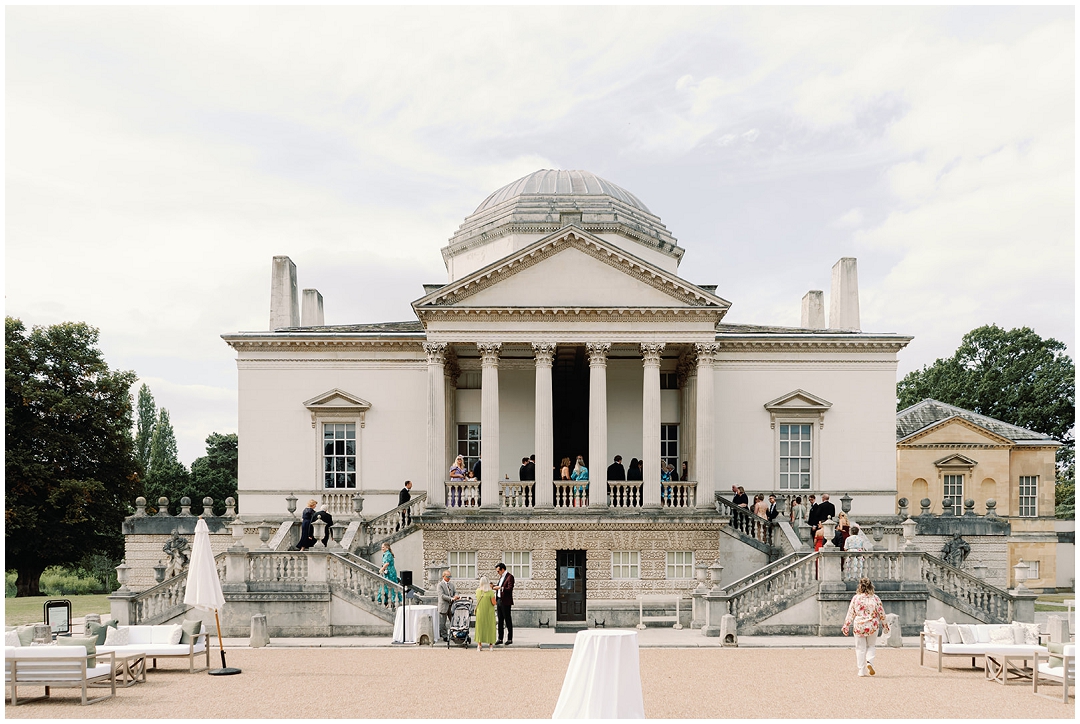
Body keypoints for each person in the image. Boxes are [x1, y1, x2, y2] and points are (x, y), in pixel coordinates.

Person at [842, 577, 890, 677]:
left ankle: (861, 671)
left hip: (859, 625)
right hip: (872, 625)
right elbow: (881, 613)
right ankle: (869, 662)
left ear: (860, 586)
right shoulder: (875, 598)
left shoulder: (856, 598)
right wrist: (885, 626)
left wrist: (846, 625)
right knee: (871, 645)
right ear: (871, 586)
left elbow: (851, 613)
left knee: (860, 648)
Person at [493, 562, 515, 646]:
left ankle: (509, 638)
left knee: (507, 619)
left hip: (505, 601)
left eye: (498, 571)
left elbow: (509, 588)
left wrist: (500, 588)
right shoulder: (501, 577)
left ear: (502, 569)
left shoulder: (510, 577)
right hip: (499, 600)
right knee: (500, 620)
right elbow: (499, 586)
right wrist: (494, 586)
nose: (497, 573)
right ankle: (500, 638)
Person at [474, 577, 497, 651]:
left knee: (479, 628)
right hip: (489, 612)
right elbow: (494, 603)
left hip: (480, 612)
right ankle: (490, 645)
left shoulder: (477, 591)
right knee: (490, 627)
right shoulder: (491, 592)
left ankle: (479, 645)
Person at [437, 569, 459, 640]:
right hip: (444, 605)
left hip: (451, 605)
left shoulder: (451, 585)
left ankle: (454, 634)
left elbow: (455, 592)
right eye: (447, 576)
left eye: (450, 576)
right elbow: (442, 595)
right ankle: (444, 636)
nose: (449, 578)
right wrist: (451, 598)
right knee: (442, 622)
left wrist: (456, 596)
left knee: (453, 621)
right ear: (443, 576)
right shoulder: (440, 585)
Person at [377, 542, 399, 607]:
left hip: (390, 573)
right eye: (382, 547)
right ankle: (386, 602)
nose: (382, 548)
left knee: (390, 586)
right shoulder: (385, 554)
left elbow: (387, 563)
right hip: (387, 572)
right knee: (385, 587)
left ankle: (392, 602)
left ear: (387, 547)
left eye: (383, 547)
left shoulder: (388, 554)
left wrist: (382, 569)